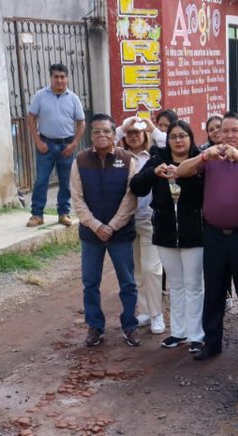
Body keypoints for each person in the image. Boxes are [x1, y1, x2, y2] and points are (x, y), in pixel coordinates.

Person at [174, 113, 238, 363]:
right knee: (214, 291)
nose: (228, 135)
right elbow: (181, 171)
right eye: (224, 131)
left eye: (235, 131)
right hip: (214, 234)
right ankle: (212, 342)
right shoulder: (211, 157)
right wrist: (204, 156)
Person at [129, 120, 207, 352]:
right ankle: (178, 332)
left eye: (183, 135)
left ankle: (196, 335)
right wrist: (154, 173)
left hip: (194, 233)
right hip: (164, 232)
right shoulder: (157, 159)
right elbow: (137, 187)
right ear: (168, 139)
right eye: (173, 136)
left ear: (191, 138)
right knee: (175, 284)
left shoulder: (199, 161)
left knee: (193, 284)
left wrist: (184, 174)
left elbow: (204, 192)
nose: (178, 140)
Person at [69, 114, 140, 348]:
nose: (102, 135)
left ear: (114, 135)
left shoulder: (128, 160)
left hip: (120, 233)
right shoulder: (80, 160)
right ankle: (95, 327)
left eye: (106, 131)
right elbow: (77, 199)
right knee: (90, 283)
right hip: (91, 234)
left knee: (127, 282)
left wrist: (111, 226)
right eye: (97, 131)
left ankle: (130, 326)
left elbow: (131, 199)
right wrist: (97, 226)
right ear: (91, 135)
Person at [118, 117, 165, 334]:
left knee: (151, 269)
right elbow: (105, 140)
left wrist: (153, 128)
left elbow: (166, 142)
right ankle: (145, 311)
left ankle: (157, 314)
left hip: (150, 219)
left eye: (138, 132)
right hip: (126, 220)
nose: (134, 136)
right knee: (137, 269)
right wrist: (123, 126)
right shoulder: (119, 157)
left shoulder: (155, 154)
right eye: (130, 133)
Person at [25, 63, 86, 228]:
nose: (59, 80)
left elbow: (81, 123)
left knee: (66, 181)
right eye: (56, 77)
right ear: (51, 78)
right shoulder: (40, 96)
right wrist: (38, 141)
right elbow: (31, 118)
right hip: (46, 145)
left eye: (62, 77)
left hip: (67, 146)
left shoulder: (73, 98)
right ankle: (37, 214)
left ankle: (64, 213)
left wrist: (74, 144)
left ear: (67, 78)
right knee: (41, 180)